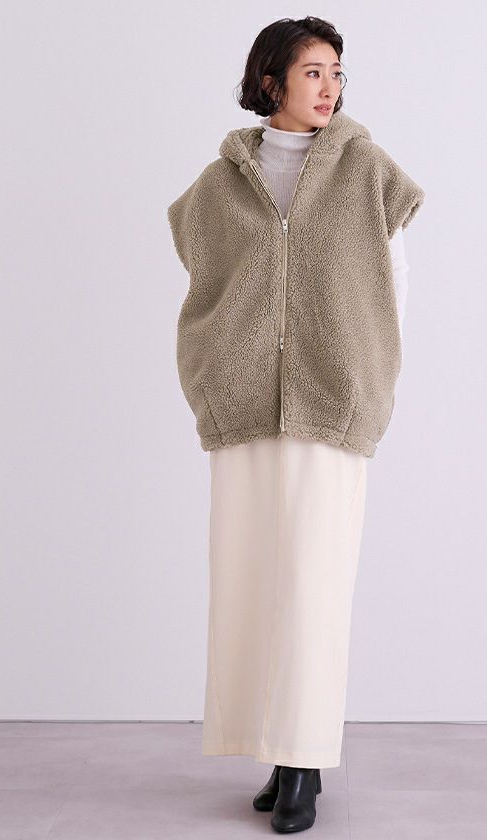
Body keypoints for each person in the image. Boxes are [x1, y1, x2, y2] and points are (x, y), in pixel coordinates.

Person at [167, 16, 425, 834]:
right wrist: (213, 368)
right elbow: (205, 285)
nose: (330, 87)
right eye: (314, 71)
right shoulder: (218, 187)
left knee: (313, 585)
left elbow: (394, 284)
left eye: (337, 72)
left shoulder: (366, 171)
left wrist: (366, 373)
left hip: (330, 405)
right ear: (271, 81)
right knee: (249, 581)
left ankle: (306, 762)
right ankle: (275, 752)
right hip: (243, 405)